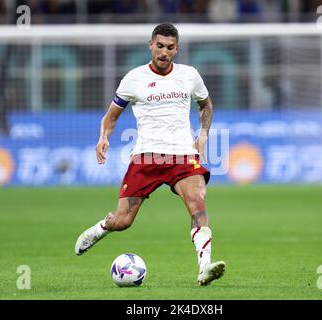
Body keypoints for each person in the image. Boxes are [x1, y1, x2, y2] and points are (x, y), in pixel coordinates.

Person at [74, 23, 225, 286]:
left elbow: (205, 105)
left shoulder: (190, 75)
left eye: (170, 47)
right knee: (123, 221)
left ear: (176, 49)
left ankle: (205, 267)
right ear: (150, 45)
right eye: (160, 46)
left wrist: (203, 133)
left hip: (181, 156)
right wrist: (103, 137)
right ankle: (103, 227)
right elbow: (111, 116)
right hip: (147, 156)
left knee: (198, 202)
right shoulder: (134, 78)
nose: (164, 52)